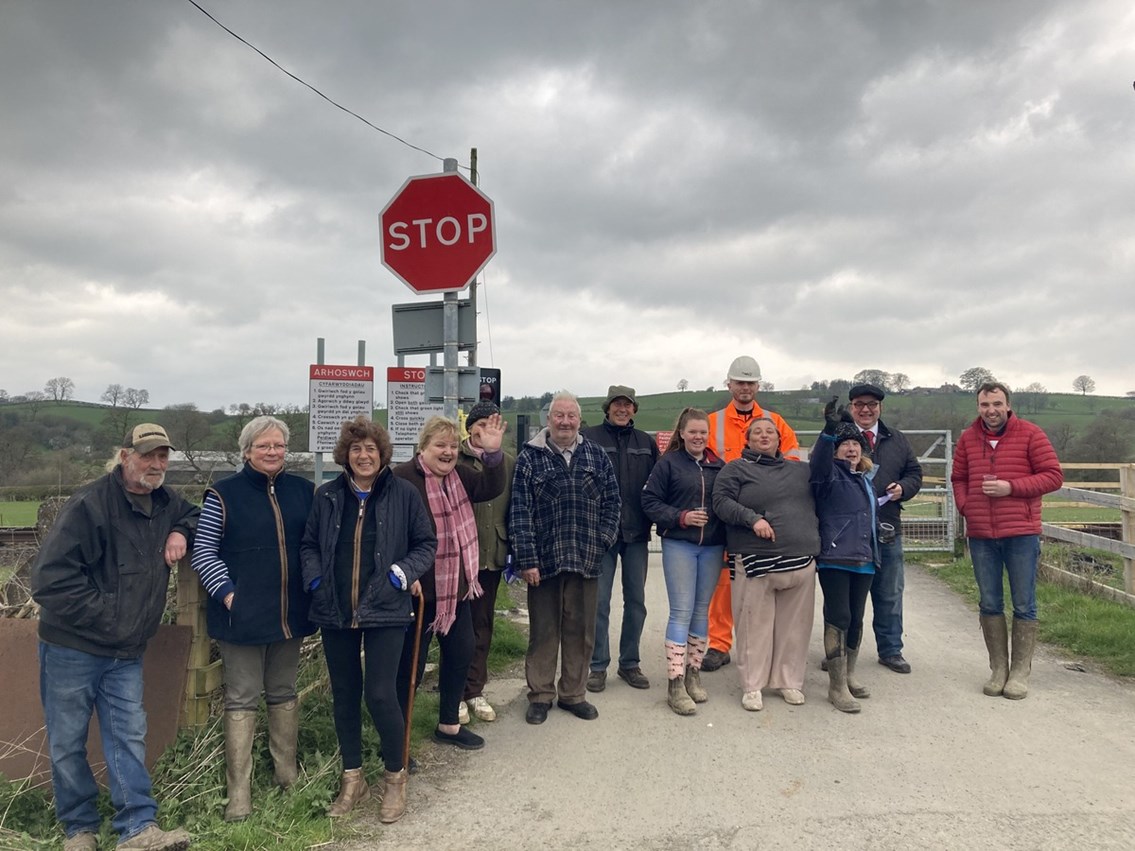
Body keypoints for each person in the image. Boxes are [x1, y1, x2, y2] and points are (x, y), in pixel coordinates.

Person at [31, 424, 198, 851]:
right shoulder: (89, 505)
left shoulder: (165, 503)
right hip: (72, 647)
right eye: (147, 456)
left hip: (125, 651)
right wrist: (110, 618)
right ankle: (79, 828)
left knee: (128, 736)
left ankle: (138, 828)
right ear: (125, 456)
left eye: (163, 456)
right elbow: (50, 581)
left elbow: (193, 513)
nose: (156, 465)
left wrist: (181, 531)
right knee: (68, 740)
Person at [300, 416, 436, 823]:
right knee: (344, 695)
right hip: (335, 610)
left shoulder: (405, 494)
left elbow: (426, 542)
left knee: (380, 694)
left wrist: (404, 572)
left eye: (371, 450)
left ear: (382, 454)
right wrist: (316, 579)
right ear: (346, 454)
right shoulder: (326, 495)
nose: (363, 456)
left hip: (387, 609)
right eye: (356, 449)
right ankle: (353, 778)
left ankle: (395, 777)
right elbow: (309, 544)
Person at [190, 415, 314, 821]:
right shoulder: (223, 495)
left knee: (283, 692)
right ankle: (238, 795)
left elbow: (315, 545)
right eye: (264, 446)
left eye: (278, 445)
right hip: (241, 618)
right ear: (246, 451)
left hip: (289, 614)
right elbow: (204, 550)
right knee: (242, 698)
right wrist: (228, 594)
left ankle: (286, 776)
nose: (273, 452)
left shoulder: (304, 492)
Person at [393, 414, 506, 750]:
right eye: (440, 445)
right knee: (409, 668)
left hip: (455, 591)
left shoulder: (460, 476)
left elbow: (490, 486)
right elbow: (392, 532)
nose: (448, 452)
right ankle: (398, 737)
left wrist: (493, 454)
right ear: (423, 447)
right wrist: (407, 571)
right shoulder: (403, 479)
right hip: (418, 596)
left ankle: (449, 724)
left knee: (461, 653)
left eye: (453, 446)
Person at [509, 391, 620, 725]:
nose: (565, 422)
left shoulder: (597, 456)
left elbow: (613, 505)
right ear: (549, 419)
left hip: (586, 558)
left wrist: (601, 542)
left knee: (580, 631)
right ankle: (541, 695)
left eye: (571, 416)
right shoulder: (530, 457)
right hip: (543, 561)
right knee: (543, 631)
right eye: (559, 415)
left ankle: (573, 694)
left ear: (579, 419)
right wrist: (526, 559)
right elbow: (519, 511)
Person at [951, 382, 1062, 700]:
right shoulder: (968, 438)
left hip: (1021, 533)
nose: (991, 410)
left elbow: (1053, 475)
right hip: (982, 534)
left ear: (1008, 405)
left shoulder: (1030, 434)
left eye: (997, 404)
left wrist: (1010, 487)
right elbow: (959, 477)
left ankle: (1020, 673)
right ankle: (998, 668)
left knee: (1024, 603)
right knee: (989, 601)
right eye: (985, 405)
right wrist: (966, 506)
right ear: (977, 407)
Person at [714, 417, 820, 711]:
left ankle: (789, 681)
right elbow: (721, 502)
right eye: (757, 432)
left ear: (780, 438)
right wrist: (753, 519)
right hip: (755, 561)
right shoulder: (735, 469)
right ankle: (753, 685)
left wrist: (832, 434)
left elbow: (827, 473)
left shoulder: (801, 470)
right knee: (753, 626)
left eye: (770, 431)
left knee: (795, 628)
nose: (764, 435)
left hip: (800, 560)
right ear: (746, 439)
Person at [702, 355, 800, 672]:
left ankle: (762, 642)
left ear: (758, 385)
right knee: (723, 581)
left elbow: (792, 464)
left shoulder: (775, 421)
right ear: (729, 384)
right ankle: (719, 644)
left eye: (750, 382)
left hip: (768, 515)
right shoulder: (712, 422)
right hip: (726, 511)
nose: (745, 387)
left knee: (766, 579)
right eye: (739, 382)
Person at [641, 408, 725, 715]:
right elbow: (649, 501)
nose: (699, 437)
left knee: (702, 611)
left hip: (713, 546)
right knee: (681, 611)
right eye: (693, 432)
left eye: (703, 432)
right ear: (681, 433)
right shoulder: (668, 464)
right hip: (679, 543)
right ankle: (675, 684)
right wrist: (681, 517)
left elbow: (728, 501)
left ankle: (693, 674)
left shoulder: (718, 465)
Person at [582, 385, 659, 693]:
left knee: (636, 601)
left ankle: (630, 663)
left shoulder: (647, 443)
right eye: (617, 404)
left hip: (637, 533)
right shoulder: (590, 439)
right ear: (608, 407)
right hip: (602, 534)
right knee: (599, 602)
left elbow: (657, 485)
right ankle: (598, 666)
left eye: (627, 405)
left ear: (634, 409)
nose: (622, 409)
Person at [847, 383, 923, 674]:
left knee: (889, 592)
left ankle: (891, 650)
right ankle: (841, 650)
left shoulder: (897, 440)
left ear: (880, 407)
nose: (866, 409)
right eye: (859, 404)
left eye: (872, 404)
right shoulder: (839, 438)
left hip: (888, 526)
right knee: (847, 595)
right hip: (848, 531)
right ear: (851, 407)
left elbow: (914, 472)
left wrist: (904, 488)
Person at [811, 400, 878, 714]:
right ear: (836, 451)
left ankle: (849, 675)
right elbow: (818, 463)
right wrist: (828, 434)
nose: (851, 449)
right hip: (836, 558)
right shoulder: (828, 476)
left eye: (855, 444)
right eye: (845, 445)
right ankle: (836, 687)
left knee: (857, 618)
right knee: (839, 617)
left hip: (865, 558)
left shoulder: (863, 479)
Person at [457, 400, 516, 724]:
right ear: (471, 429)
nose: (489, 432)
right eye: (483, 426)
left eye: (495, 425)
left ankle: (475, 690)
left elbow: (514, 507)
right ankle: (454, 694)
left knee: (482, 626)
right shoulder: (452, 457)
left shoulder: (507, 462)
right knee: (455, 628)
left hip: (491, 556)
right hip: (457, 559)